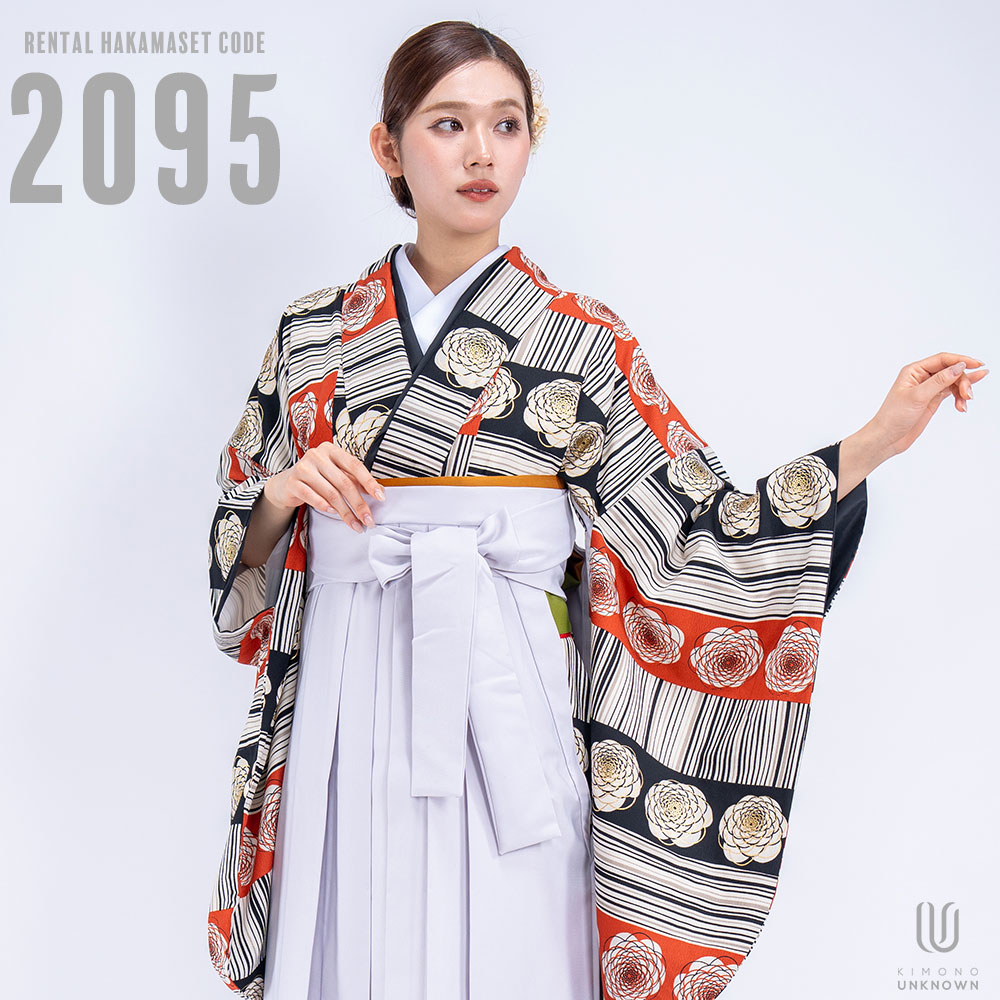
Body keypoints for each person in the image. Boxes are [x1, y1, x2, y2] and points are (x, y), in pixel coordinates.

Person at [204, 19, 988, 1000]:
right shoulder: (313, 333)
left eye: (506, 124)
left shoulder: (583, 340)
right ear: (388, 146)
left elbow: (694, 530)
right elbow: (241, 546)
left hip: (507, 681)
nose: (481, 152)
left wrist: (869, 443)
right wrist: (280, 496)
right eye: (448, 124)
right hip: (345, 681)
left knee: (518, 933)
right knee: (350, 924)